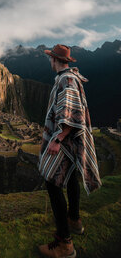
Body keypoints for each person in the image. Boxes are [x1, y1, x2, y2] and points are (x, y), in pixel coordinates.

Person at [37, 44, 102, 258]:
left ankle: (65, 244)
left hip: (65, 141)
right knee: (71, 176)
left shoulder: (67, 80)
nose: (49, 62)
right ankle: (74, 220)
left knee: (52, 182)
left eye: (50, 59)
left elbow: (71, 113)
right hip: (71, 141)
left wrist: (58, 138)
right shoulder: (71, 77)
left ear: (54, 60)